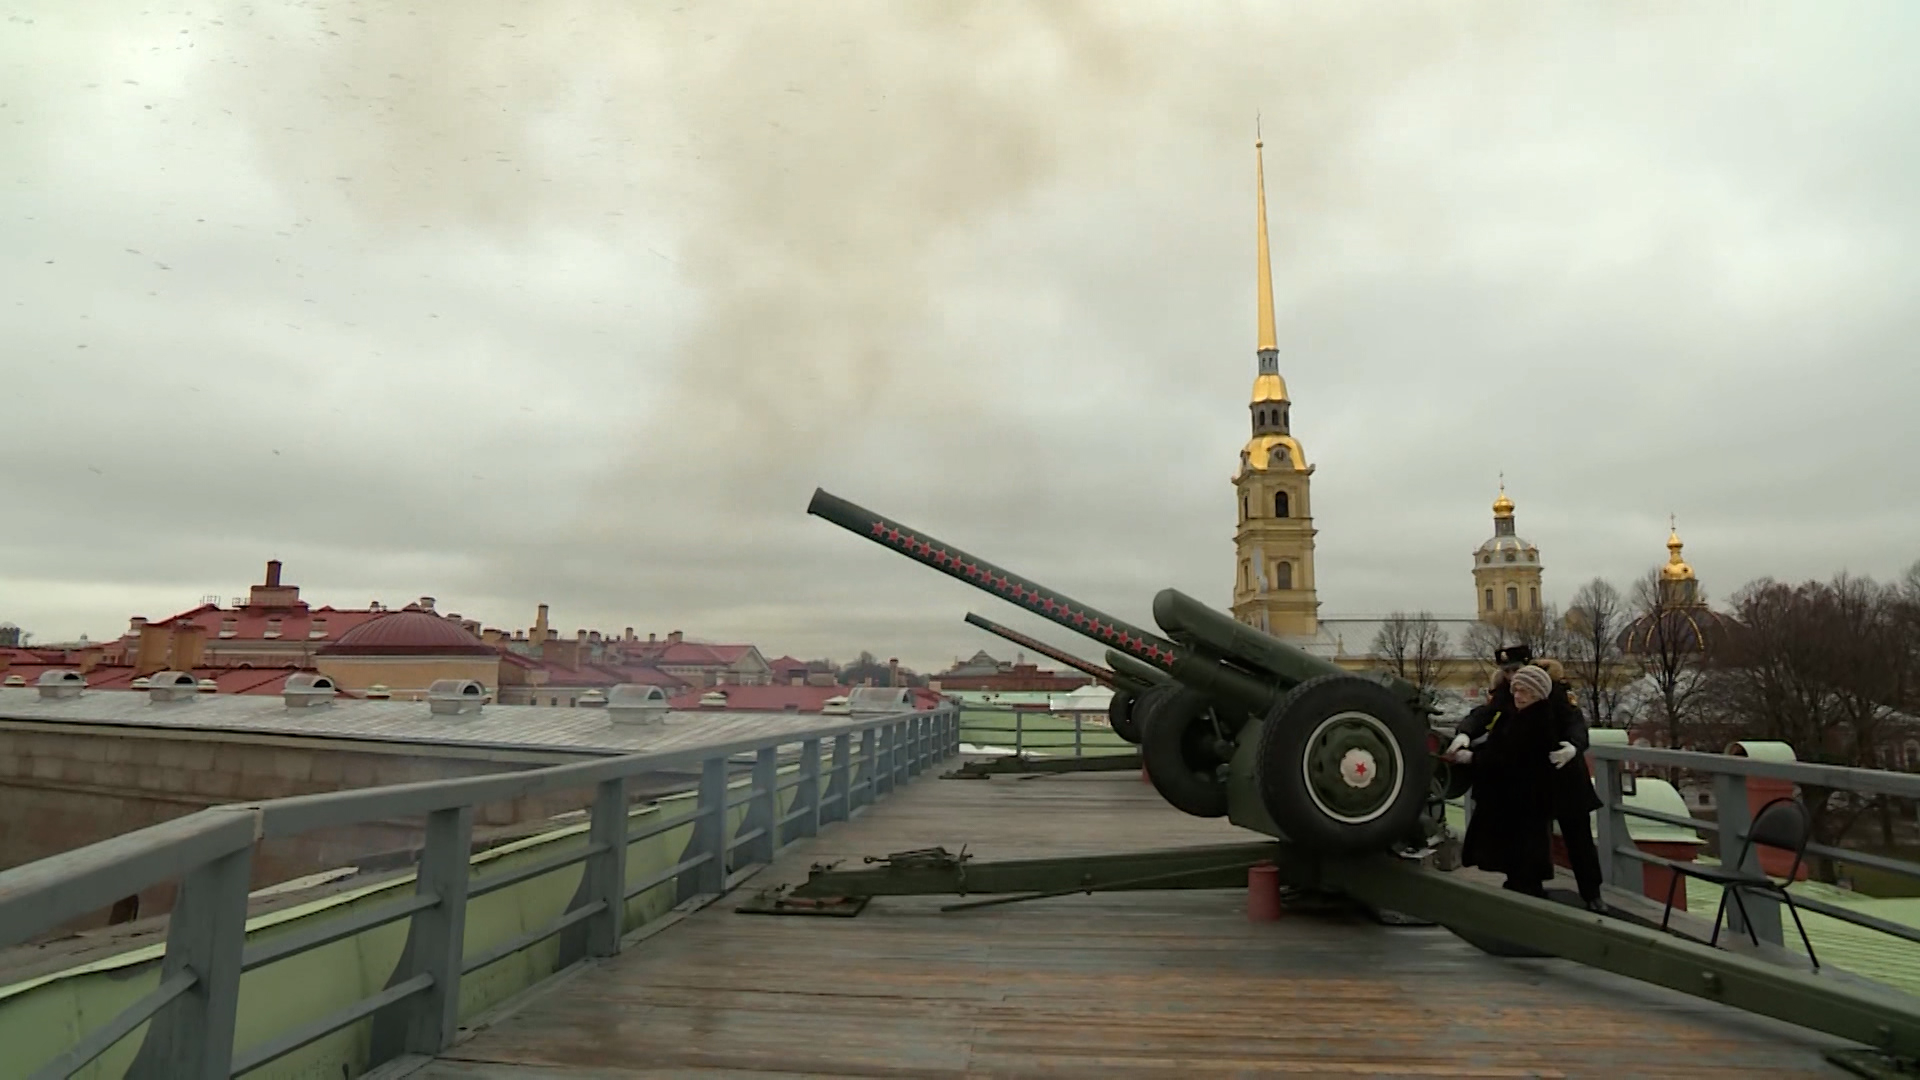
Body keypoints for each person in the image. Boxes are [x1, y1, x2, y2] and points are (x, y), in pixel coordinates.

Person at [1447, 663, 1559, 897]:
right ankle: (1521, 890)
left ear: (1538, 694)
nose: (1517, 696)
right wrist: (1467, 738)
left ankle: (1528, 897)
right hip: (1514, 800)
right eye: (1516, 690)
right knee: (1517, 859)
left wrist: (1474, 758)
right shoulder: (1517, 715)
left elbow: (1510, 757)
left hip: (1525, 801)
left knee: (1524, 857)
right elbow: (1495, 738)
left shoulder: (1538, 722)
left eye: (1524, 691)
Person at [1539, 658, 1606, 912]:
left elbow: (1576, 724)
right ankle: (1533, 885)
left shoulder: (1560, 694)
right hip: (1537, 778)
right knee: (1534, 838)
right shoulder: (1516, 694)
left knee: (1579, 840)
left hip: (1566, 776)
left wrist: (1574, 747)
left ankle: (1592, 893)